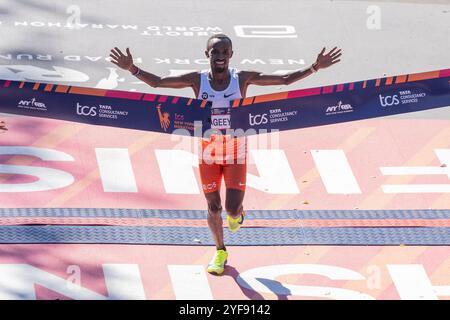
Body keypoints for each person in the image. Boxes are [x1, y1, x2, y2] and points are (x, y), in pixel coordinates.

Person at [109, 34, 341, 275]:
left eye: (224, 52)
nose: (219, 57)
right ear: (206, 54)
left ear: (231, 54)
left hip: (235, 153)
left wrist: (315, 67)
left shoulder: (241, 79)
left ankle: (238, 215)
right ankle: (220, 251)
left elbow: (283, 79)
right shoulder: (197, 81)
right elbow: (157, 83)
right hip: (208, 154)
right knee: (213, 206)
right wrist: (132, 69)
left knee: (231, 210)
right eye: (214, 52)